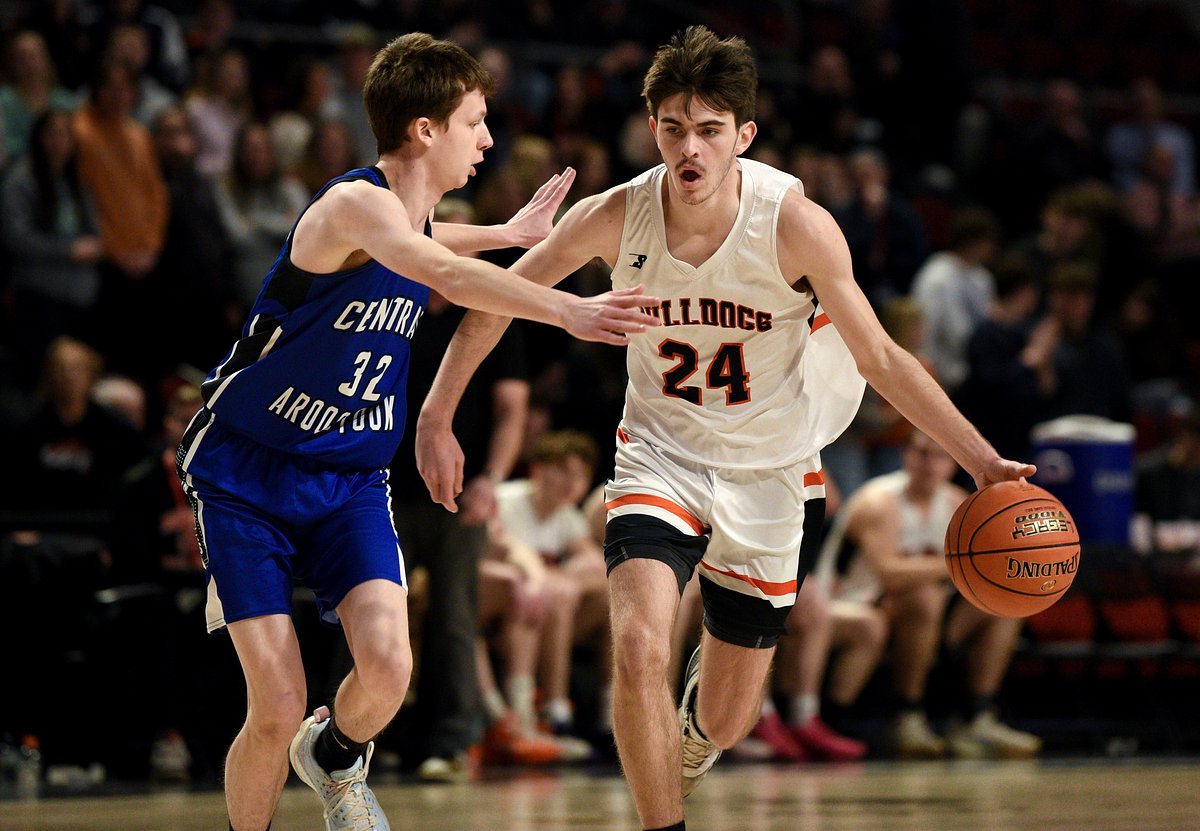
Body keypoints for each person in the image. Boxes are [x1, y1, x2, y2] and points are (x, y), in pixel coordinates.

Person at [416, 26, 1034, 831]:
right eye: (673, 128)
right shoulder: (618, 215)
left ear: (743, 135)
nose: (690, 149)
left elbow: (882, 355)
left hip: (772, 467)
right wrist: (437, 410)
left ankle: (701, 732)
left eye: (710, 130)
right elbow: (494, 299)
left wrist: (982, 462)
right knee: (638, 645)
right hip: (659, 455)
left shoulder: (794, 224)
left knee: (730, 719)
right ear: (653, 131)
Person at [175, 33, 656, 831]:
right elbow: (439, 270)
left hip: (350, 477)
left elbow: (435, 246)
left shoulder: (409, 221)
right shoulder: (353, 205)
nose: (489, 138)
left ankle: (331, 755)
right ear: (426, 129)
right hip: (248, 473)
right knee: (278, 698)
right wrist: (569, 306)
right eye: (476, 120)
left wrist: (505, 234)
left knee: (391, 667)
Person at [814, 431, 1042, 760]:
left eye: (939, 456)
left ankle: (978, 717)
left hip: (917, 614)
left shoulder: (954, 502)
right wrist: (962, 562)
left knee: (1004, 603)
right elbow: (888, 574)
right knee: (924, 598)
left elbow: (984, 567)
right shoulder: (880, 501)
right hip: (852, 604)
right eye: (921, 453)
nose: (929, 463)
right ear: (906, 457)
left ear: (952, 465)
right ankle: (908, 715)